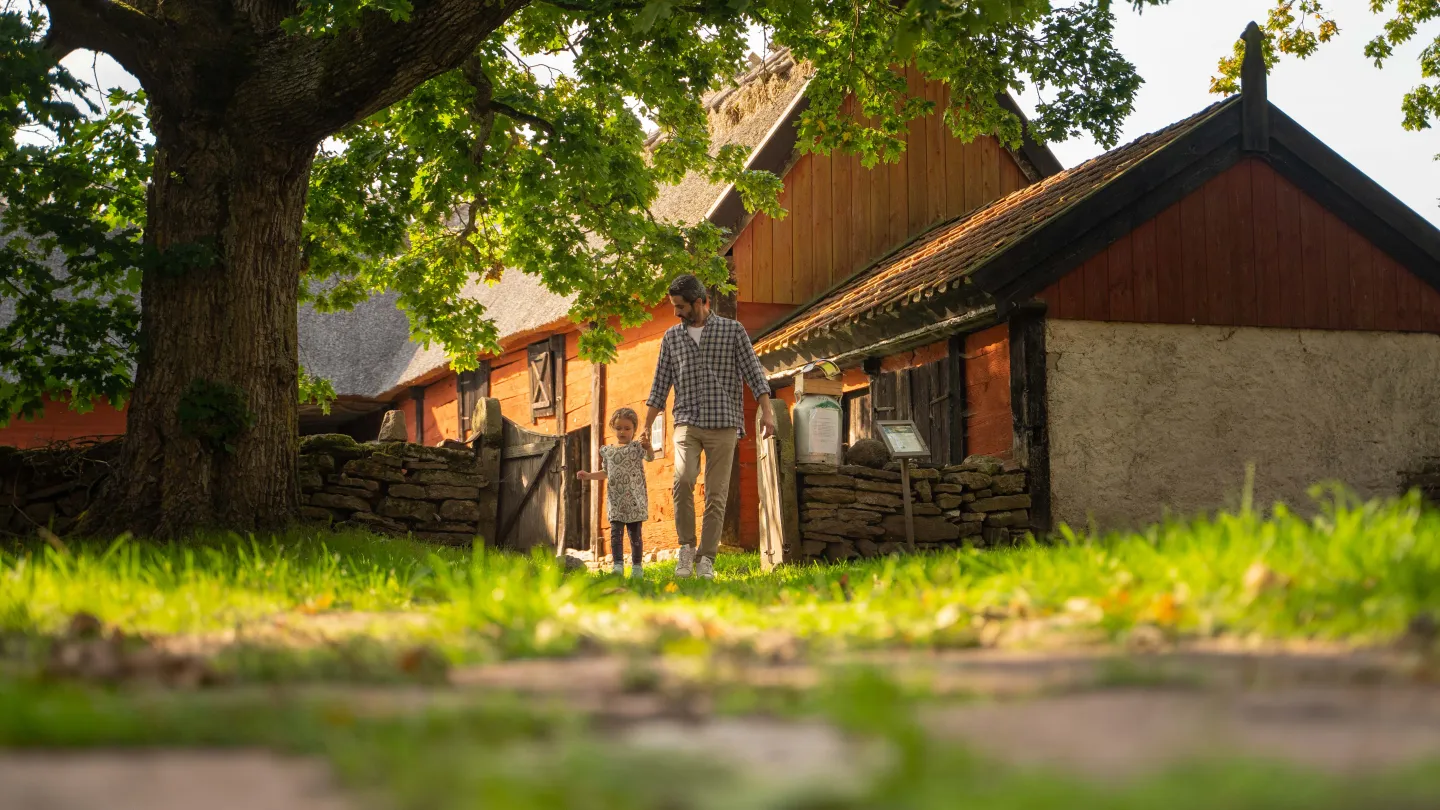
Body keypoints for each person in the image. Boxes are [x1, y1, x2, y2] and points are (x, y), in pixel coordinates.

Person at [642, 274, 774, 580]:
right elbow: (659, 386)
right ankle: (686, 549)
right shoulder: (672, 339)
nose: (676, 312)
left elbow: (755, 374)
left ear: (700, 302)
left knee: (717, 495)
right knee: (683, 479)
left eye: (680, 306)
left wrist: (768, 412)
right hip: (687, 421)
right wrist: (646, 428)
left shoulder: (733, 331)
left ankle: (706, 560)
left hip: (724, 423)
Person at [577, 407, 654, 578]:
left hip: (635, 500)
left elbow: (650, 458)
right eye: (619, 428)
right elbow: (605, 473)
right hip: (616, 501)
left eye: (627, 428)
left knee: (635, 536)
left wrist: (648, 447)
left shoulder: (636, 448)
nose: (623, 431)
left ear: (634, 430)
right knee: (615, 535)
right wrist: (589, 475)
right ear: (613, 428)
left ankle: (636, 568)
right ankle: (618, 566)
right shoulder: (609, 452)